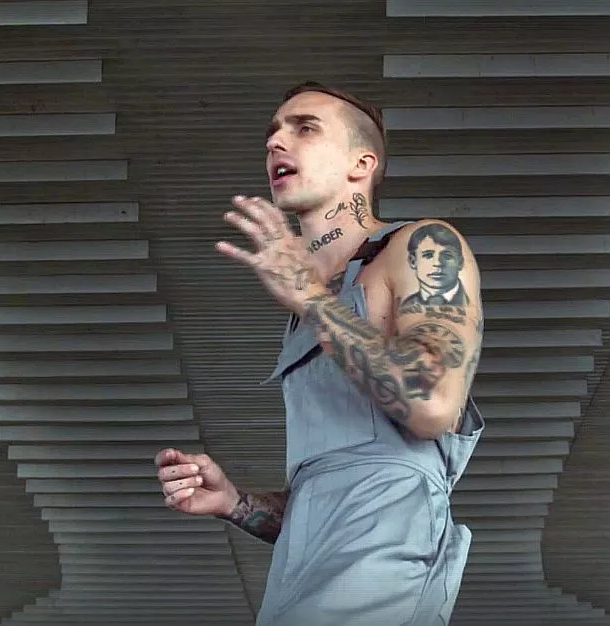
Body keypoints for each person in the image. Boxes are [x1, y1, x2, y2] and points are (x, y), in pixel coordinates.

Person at [155, 82, 485, 626]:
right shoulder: (311, 306)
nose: (275, 143)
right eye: (272, 134)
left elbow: (432, 404)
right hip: (300, 573)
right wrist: (234, 502)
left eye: (305, 128)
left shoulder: (422, 245)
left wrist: (310, 298)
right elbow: (329, 495)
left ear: (362, 163)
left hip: (382, 559)